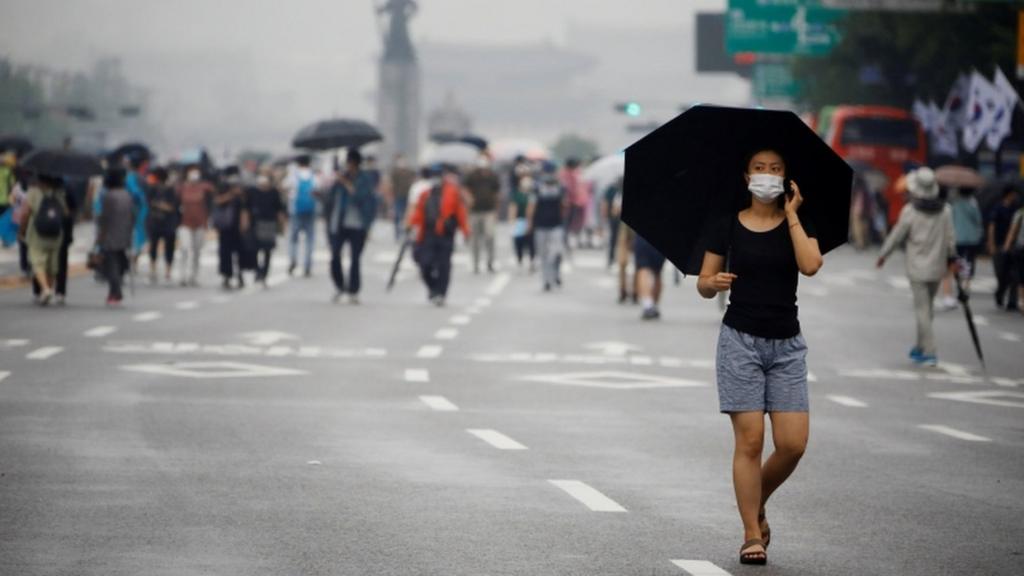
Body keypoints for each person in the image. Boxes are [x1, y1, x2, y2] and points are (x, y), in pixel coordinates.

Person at [697, 148, 822, 566]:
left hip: (787, 344)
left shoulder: (798, 222)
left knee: (792, 444)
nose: (766, 176)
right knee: (750, 441)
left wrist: (793, 215)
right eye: (759, 169)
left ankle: (755, 498)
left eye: (776, 169)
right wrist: (713, 282)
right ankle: (752, 532)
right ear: (746, 175)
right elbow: (703, 282)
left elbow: (811, 266)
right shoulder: (727, 224)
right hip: (740, 341)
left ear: (787, 177)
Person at [877, 167, 957, 367]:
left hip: (917, 268)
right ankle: (920, 347)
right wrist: (952, 258)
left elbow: (897, 235)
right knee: (927, 310)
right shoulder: (945, 211)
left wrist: (883, 255)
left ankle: (930, 351)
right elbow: (950, 239)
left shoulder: (910, 211)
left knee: (922, 311)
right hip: (937, 267)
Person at [409, 164, 469, 306]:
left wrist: (465, 231)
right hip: (428, 234)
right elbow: (419, 213)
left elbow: (460, 213)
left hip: (446, 234)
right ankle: (432, 288)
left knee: (444, 265)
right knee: (425, 264)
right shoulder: (426, 194)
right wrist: (411, 225)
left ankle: (441, 293)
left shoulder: (452, 192)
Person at [325, 150, 378, 304]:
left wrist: (346, 183)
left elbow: (361, 197)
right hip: (340, 223)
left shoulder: (365, 179)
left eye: (349, 162)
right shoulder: (340, 178)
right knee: (335, 256)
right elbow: (331, 198)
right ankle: (340, 286)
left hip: (358, 224)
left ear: (354, 163)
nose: (347, 166)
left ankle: (353, 289)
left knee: (355, 258)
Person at [18, 173, 69, 305]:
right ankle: (49, 290)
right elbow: (65, 213)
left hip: (37, 233)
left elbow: (25, 213)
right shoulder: (59, 193)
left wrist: (22, 230)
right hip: (56, 234)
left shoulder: (33, 192)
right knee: (52, 265)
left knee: (37, 262)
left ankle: (45, 289)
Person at [938, 186, 983, 311]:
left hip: (957, 238)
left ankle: (954, 289)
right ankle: (965, 287)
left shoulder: (954, 205)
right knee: (968, 262)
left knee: (954, 264)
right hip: (972, 239)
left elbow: (949, 221)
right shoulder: (973, 204)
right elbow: (978, 221)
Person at [96, 168, 136, 306]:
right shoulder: (127, 195)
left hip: (110, 235)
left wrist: (99, 239)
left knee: (111, 265)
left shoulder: (109, 196)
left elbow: (104, 219)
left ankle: (116, 292)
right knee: (121, 262)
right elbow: (132, 217)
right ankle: (115, 290)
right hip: (125, 234)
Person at [528, 163, 568, 292]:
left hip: (556, 225)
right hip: (541, 226)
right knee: (543, 254)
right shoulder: (536, 188)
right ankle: (546, 280)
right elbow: (532, 206)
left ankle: (555, 274)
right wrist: (530, 223)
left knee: (556, 252)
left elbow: (564, 205)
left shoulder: (560, 187)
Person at [246, 170, 286, 287]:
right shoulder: (252, 191)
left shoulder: (274, 192)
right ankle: (257, 270)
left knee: (268, 251)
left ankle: (264, 274)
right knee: (254, 250)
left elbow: (279, 210)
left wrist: (282, 226)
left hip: (269, 224)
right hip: (256, 223)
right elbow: (246, 209)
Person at [176, 165, 214, 286]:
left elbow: (212, 201)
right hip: (184, 223)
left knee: (197, 251)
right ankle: (183, 275)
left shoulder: (205, 188)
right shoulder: (181, 188)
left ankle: (194, 276)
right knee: (185, 248)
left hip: (200, 223)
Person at [464, 155, 501, 274]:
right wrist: (468, 198)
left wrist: (496, 210)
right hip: (474, 211)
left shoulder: (493, 177)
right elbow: (464, 188)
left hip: (489, 211)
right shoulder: (472, 176)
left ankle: (490, 262)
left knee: (490, 236)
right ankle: (475, 263)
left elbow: (497, 193)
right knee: (474, 239)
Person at [284, 156, 318, 277]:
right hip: (310, 210)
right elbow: (317, 192)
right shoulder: (313, 176)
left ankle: (293, 259)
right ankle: (307, 264)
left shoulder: (293, 176)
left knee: (294, 239)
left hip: (295, 211)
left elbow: (285, 188)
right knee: (310, 239)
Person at [988, 184, 1020, 311]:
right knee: (1002, 274)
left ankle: (1012, 301)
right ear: (1009, 194)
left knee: (1015, 274)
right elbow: (992, 226)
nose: (1015, 196)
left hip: (1013, 246)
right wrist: (991, 244)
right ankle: (1000, 293)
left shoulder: (1016, 209)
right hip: (999, 244)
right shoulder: (998, 208)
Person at [145, 167, 179, 284]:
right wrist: (162, 205)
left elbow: (171, 207)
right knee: (154, 247)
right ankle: (154, 269)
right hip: (156, 223)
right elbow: (149, 203)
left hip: (168, 224)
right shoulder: (152, 189)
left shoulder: (170, 190)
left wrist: (159, 205)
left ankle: (167, 270)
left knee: (168, 247)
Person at [213, 170, 246, 290]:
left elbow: (244, 207)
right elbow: (217, 201)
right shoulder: (223, 188)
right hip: (225, 227)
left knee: (240, 253)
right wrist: (231, 194)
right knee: (225, 253)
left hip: (237, 227)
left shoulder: (241, 190)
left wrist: (244, 224)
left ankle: (240, 275)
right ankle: (226, 276)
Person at [508, 173, 536, 272]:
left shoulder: (533, 194)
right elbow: (513, 207)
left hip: (531, 220)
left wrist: (531, 221)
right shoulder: (516, 194)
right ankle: (520, 258)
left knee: (531, 241)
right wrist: (512, 220)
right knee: (519, 241)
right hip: (519, 220)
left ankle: (532, 260)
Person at [634, 234, 666, 320]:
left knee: (643, 268)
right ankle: (654, 305)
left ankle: (648, 304)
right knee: (657, 272)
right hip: (663, 235)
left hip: (643, 235)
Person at [125, 155, 150, 263]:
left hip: (136, 210)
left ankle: (132, 259)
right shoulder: (136, 177)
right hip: (137, 210)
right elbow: (137, 194)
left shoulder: (131, 177)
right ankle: (133, 258)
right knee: (137, 235)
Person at [1003, 201, 1024, 313]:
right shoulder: (1020, 213)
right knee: (1020, 276)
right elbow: (1013, 231)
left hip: (1020, 248)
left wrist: (1006, 247)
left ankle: (1021, 301)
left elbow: (1012, 231)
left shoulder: (1019, 213)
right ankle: (1021, 301)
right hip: (1021, 249)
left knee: (1021, 277)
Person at [389, 154, 417, 241]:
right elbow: (391, 184)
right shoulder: (395, 172)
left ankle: (407, 233)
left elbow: (414, 181)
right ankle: (398, 233)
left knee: (408, 216)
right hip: (398, 196)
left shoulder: (410, 172)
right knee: (398, 215)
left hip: (408, 197)